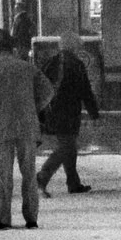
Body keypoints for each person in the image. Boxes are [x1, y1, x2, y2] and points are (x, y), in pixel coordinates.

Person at [0, 31, 52, 228]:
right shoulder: (28, 68)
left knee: (4, 175)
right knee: (29, 173)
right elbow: (48, 91)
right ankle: (31, 218)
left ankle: (4, 218)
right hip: (27, 126)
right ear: (12, 49)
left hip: (2, 127)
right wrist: (34, 108)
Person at [35, 31, 102, 195]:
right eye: (78, 44)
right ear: (73, 45)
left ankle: (73, 183)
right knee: (67, 147)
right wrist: (94, 113)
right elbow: (85, 90)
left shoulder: (52, 62)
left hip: (53, 110)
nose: (80, 46)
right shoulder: (76, 64)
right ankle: (43, 176)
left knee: (70, 147)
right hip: (68, 111)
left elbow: (41, 84)